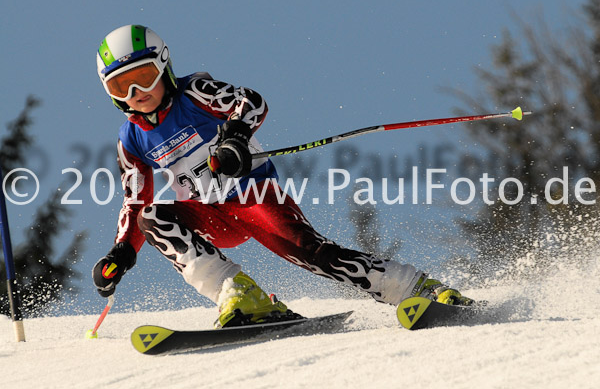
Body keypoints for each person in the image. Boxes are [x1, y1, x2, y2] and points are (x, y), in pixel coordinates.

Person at [92, 24, 472, 328]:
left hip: (253, 196)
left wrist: (236, 137)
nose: (137, 92)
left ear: (164, 67)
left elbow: (251, 101)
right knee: (153, 217)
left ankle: (420, 288)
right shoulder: (131, 138)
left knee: (312, 254)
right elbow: (134, 197)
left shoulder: (195, 93)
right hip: (209, 214)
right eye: (121, 86)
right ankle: (238, 294)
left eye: (143, 76)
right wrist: (122, 251)